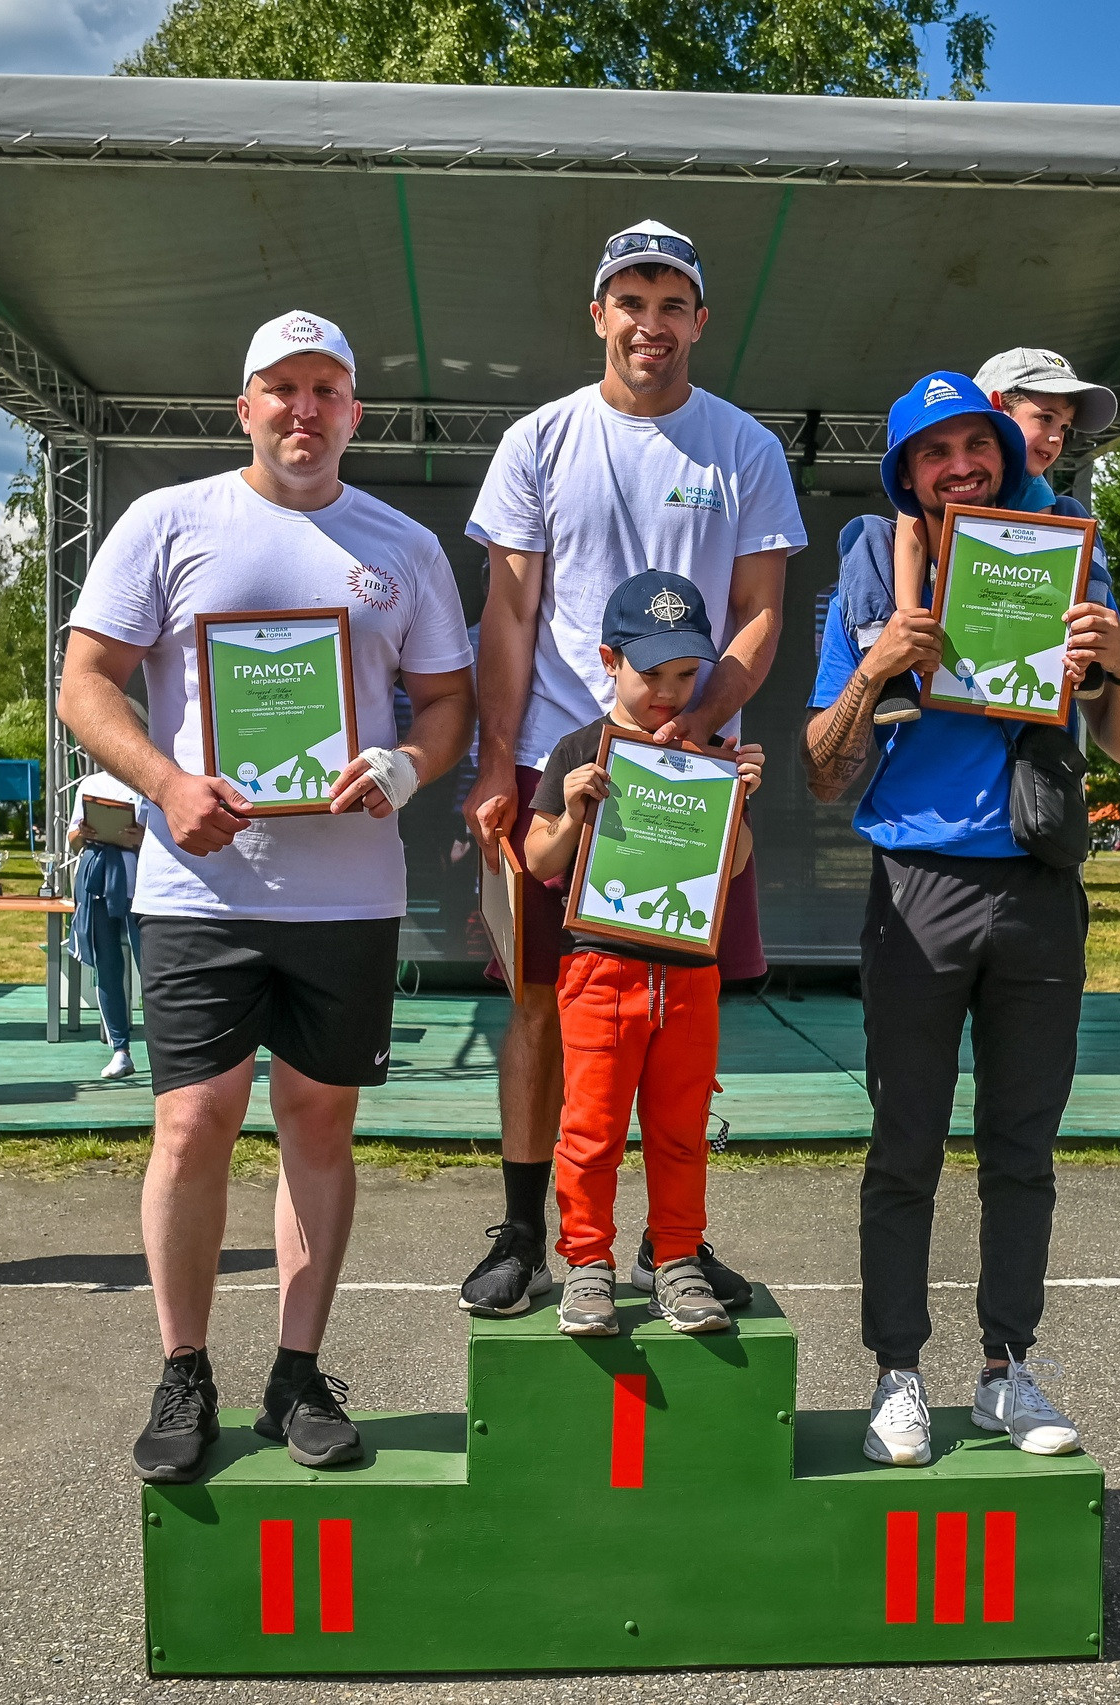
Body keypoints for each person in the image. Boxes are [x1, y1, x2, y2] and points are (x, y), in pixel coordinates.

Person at [56, 309, 474, 1479]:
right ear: (244, 405)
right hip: (196, 885)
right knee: (191, 1124)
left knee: (317, 1125)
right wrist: (163, 782)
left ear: (354, 411)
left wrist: (406, 763)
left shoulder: (403, 546)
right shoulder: (169, 520)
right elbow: (83, 681)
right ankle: (184, 1367)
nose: (304, 409)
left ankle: (297, 1369)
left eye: (326, 388)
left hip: (347, 898)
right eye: (280, 388)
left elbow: (445, 705)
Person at [802, 372, 1120, 1465]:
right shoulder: (868, 562)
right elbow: (821, 772)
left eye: (980, 445)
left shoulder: (1072, 557)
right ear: (907, 472)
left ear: (1005, 456)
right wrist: (876, 664)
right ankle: (896, 1374)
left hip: (1038, 888)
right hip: (916, 888)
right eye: (936, 450)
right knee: (903, 1145)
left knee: (1023, 1148)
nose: (963, 464)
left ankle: (1008, 1369)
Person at [457, 219, 804, 1319]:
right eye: (630, 300)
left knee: (679, 1014)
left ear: (699, 320)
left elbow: (758, 615)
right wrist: (494, 765)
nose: (649, 323)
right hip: (558, 760)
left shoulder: (742, 446)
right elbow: (508, 614)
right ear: (597, 313)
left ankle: (672, 1245)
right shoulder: (539, 439)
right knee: (537, 1009)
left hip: (686, 771)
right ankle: (529, 1234)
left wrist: (691, 727)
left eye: (671, 304)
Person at [518, 573, 760, 1338]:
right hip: (599, 970)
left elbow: (736, 863)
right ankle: (587, 1263)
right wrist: (574, 811)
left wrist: (739, 801)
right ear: (608, 660)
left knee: (682, 1128)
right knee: (589, 1128)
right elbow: (536, 858)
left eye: (685, 675)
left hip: (688, 975)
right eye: (650, 674)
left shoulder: (712, 754)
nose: (668, 691)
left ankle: (677, 1259)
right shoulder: (577, 749)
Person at [873, 349, 1119, 724]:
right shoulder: (914, 513)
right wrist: (911, 622)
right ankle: (886, 667)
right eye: (1045, 418)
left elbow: (1043, 562)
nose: (1055, 438)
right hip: (954, 622)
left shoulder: (1040, 493)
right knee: (862, 533)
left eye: (1065, 428)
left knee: (1077, 524)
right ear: (997, 408)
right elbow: (911, 533)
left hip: (1011, 630)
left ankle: (1085, 645)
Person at [67, 767, 144, 1080]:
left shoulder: (148, 782)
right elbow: (72, 839)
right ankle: (120, 1050)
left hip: (140, 889)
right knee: (107, 967)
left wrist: (144, 837)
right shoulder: (91, 783)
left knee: (154, 971)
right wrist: (84, 832)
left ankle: (167, 1052)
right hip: (98, 884)